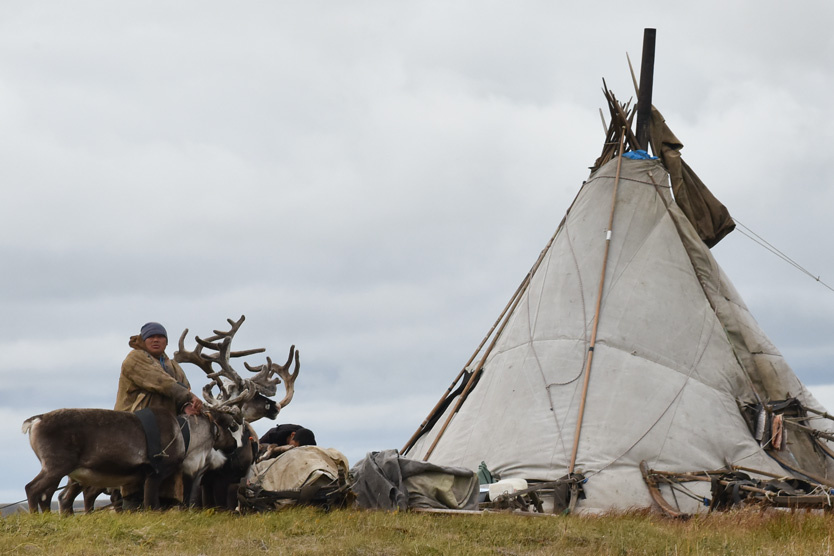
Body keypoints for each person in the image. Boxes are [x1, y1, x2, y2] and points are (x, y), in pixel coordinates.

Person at [114, 321, 203, 509]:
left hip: (166, 428)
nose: (156, 340)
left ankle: (164, 507)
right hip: (135, 424)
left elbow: (183, 388)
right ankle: (133, 506)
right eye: (151, 337)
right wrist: (189, 396)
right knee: (137, 468)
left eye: (160, 337)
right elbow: (160, 381)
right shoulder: (135, 358)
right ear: (143, 340)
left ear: (166, 341)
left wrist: (187, 405)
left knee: (167, 467)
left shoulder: (173, 366)